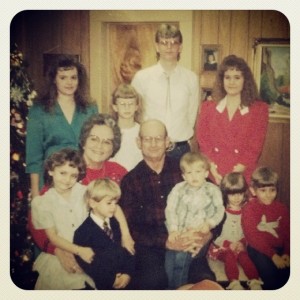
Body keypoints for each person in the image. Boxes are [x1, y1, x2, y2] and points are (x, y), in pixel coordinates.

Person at [28, 114, 135, 283]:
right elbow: (36, 222)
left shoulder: (120, 173)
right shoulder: (66, 172)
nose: (99, 146)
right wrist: (58, 251)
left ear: (113, 147)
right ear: (84, 141)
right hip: (68, 251)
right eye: (94, 139)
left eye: (107, 141)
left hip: (108, 253)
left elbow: (128, 214)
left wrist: (125, 241)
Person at [119, 119, 216, 290]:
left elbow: (216, 204)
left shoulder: (186, 170)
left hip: (189, 241)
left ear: (167, 142)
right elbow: (131, 228)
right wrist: (166, 242)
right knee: (154, 283)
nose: (154, 143)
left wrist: (208, 234)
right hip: (152, 248)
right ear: (138, 142)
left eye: (158, 138)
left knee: (206, 282)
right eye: (148, 139)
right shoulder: (130, 181)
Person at [26, 55, 98, 199]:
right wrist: (35, 192)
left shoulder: (90, 108)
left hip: (82, 177)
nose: (69, 82)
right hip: (50, 178)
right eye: (63, 77)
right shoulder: (39, 110)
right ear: (54, 79)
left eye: (73, 77)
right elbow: (34, 156)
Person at [196, 54, 269, 185]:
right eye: (227, 77)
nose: (231, 82)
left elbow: (255, 145)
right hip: (214, 174)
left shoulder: (259, 109)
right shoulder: (208, 107)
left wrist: (239, 169)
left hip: (242, 175)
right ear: (221, 80)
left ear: (245, 80)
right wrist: (211, 166)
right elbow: (204, 141)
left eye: (237, 77)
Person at [131, 23, 200, 159]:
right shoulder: (142, 77)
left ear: (180, 47)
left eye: (174, 43)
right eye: (164, 43)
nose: (169, 47)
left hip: (181, 149)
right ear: (157, 47)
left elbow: (191, 116)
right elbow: (136, 115)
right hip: (151, 148)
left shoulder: (191, 78)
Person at [31, 148, 95, 289]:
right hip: (60, 256)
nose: (67, 180)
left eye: (73, 176)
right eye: (62, 173)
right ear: (51, 170)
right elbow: (52, 237)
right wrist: (78, 251)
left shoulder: (85, 192)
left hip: (86, 253)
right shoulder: (43, 202)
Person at [164, 151, 225, 289]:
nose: (194, 176)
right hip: (178, 231)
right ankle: (169, 288)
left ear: (206, 173)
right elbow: (170, 209)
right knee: (168, 263)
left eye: (198, 171)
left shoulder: (212, 190)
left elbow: (220, 210)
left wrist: (210, 223)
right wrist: (173, 229)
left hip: (198, 233)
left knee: (181, 260)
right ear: (184, 176)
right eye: (189, 173)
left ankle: (181, 289)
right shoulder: (178, 189)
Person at [73, 178, 135, 290]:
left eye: (115, 203)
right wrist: (111, 279)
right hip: (105, 284)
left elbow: (128, 250)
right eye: (109, 203)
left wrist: (127, 273)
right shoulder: (83, 232)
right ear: (92, 203)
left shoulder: (116, 223)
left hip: (126, 279)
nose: (114, 207)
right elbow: (89, 265)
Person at [208, 172, 263, 290]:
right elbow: (215, 234)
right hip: (221, 247)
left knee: (245, 257)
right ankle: (234, 282)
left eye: (240, 193)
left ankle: (255, 281)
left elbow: (248, 231)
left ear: (244, 193)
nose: (237, 197)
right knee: (229, 256)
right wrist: (228, 244)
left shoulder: (246, 211)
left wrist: (242, 243)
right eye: (232, 194)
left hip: (239, 245)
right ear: (225, 194)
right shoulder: (220, 212)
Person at [242, 166, 290, 290]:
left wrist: (286, 252)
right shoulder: (249, 209)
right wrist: (273, 256)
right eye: (263, 190)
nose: (268, 195)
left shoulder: (282, 208)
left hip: (279, 248)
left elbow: (288, 233)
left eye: (272, 190)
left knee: (287, 275)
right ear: (253, 191)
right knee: (270, 277)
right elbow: (253, 238)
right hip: (258, 249)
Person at [110, 83, 143, 171]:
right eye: (122, 104)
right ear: (115, 107)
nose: (127, 108)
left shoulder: (142, 131)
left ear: (136, 106)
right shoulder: (110, 131)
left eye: (131, 104)